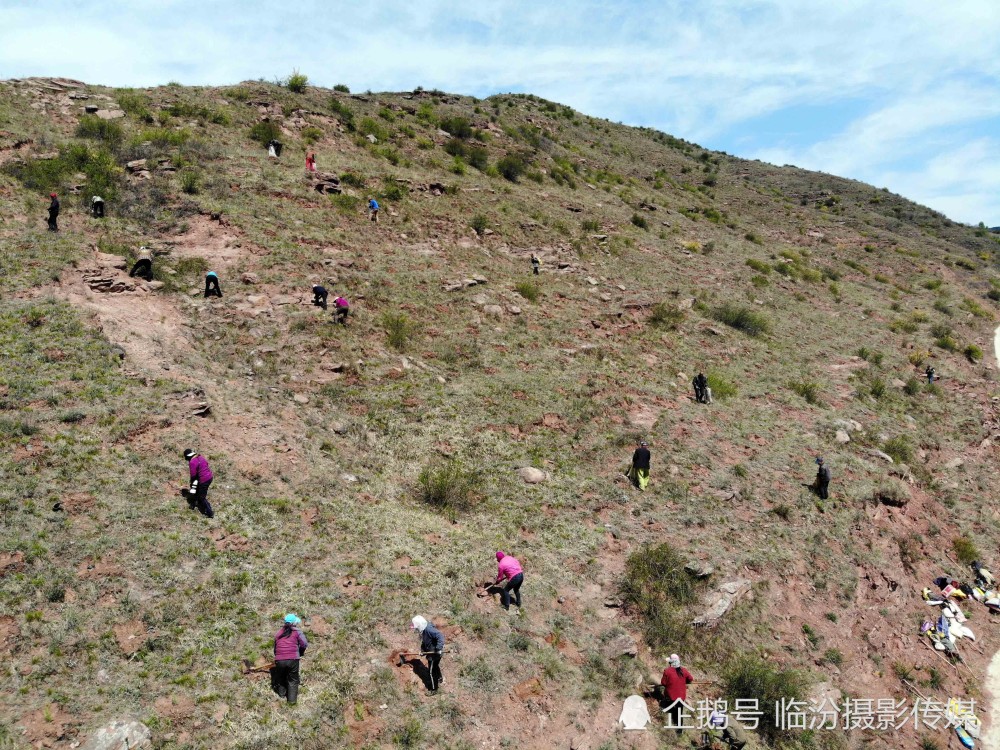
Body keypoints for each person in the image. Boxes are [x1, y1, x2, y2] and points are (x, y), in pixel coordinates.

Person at [273, 614, 308, 705]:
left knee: (281, 677)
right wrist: (301, 652)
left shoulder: (278, 633)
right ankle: (291, 702)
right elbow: (304, 644)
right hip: (293, 659)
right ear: (294, 623)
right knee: (293, 680)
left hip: (279, 659)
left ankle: (281, 695)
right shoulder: (297, 632)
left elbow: (275, 648)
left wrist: (278, 658)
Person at [660, 654, 693, 735]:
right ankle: (679, 730)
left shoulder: (667, 671)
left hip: (670, 697)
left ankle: (670, 720)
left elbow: (663, 683)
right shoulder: (683, 670)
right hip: (681, 697)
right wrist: (685, 681)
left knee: (668, 707)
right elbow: (691, 679)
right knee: (679, 712)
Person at [410, 615, 444, 692]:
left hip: (434, 654)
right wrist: (423, 651)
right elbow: (425, 642)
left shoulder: (428, 629)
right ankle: (439, 678)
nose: (416, 629)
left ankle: (433, 689)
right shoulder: (424, 630)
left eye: (416, 627)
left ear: (420, 625)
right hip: (432, 652)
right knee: (435, 666)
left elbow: (440, 636)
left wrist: (438, 648)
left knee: (431, 672)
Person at [184, 449, 214, 518]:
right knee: (198, 490)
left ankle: (210, 513)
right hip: (209, 477)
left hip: (204, 480)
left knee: (202, 497)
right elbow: (206, 464)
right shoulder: (200, 457)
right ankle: (194, 503)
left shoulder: (192, 462)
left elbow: (193, 475)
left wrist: (192, 483)